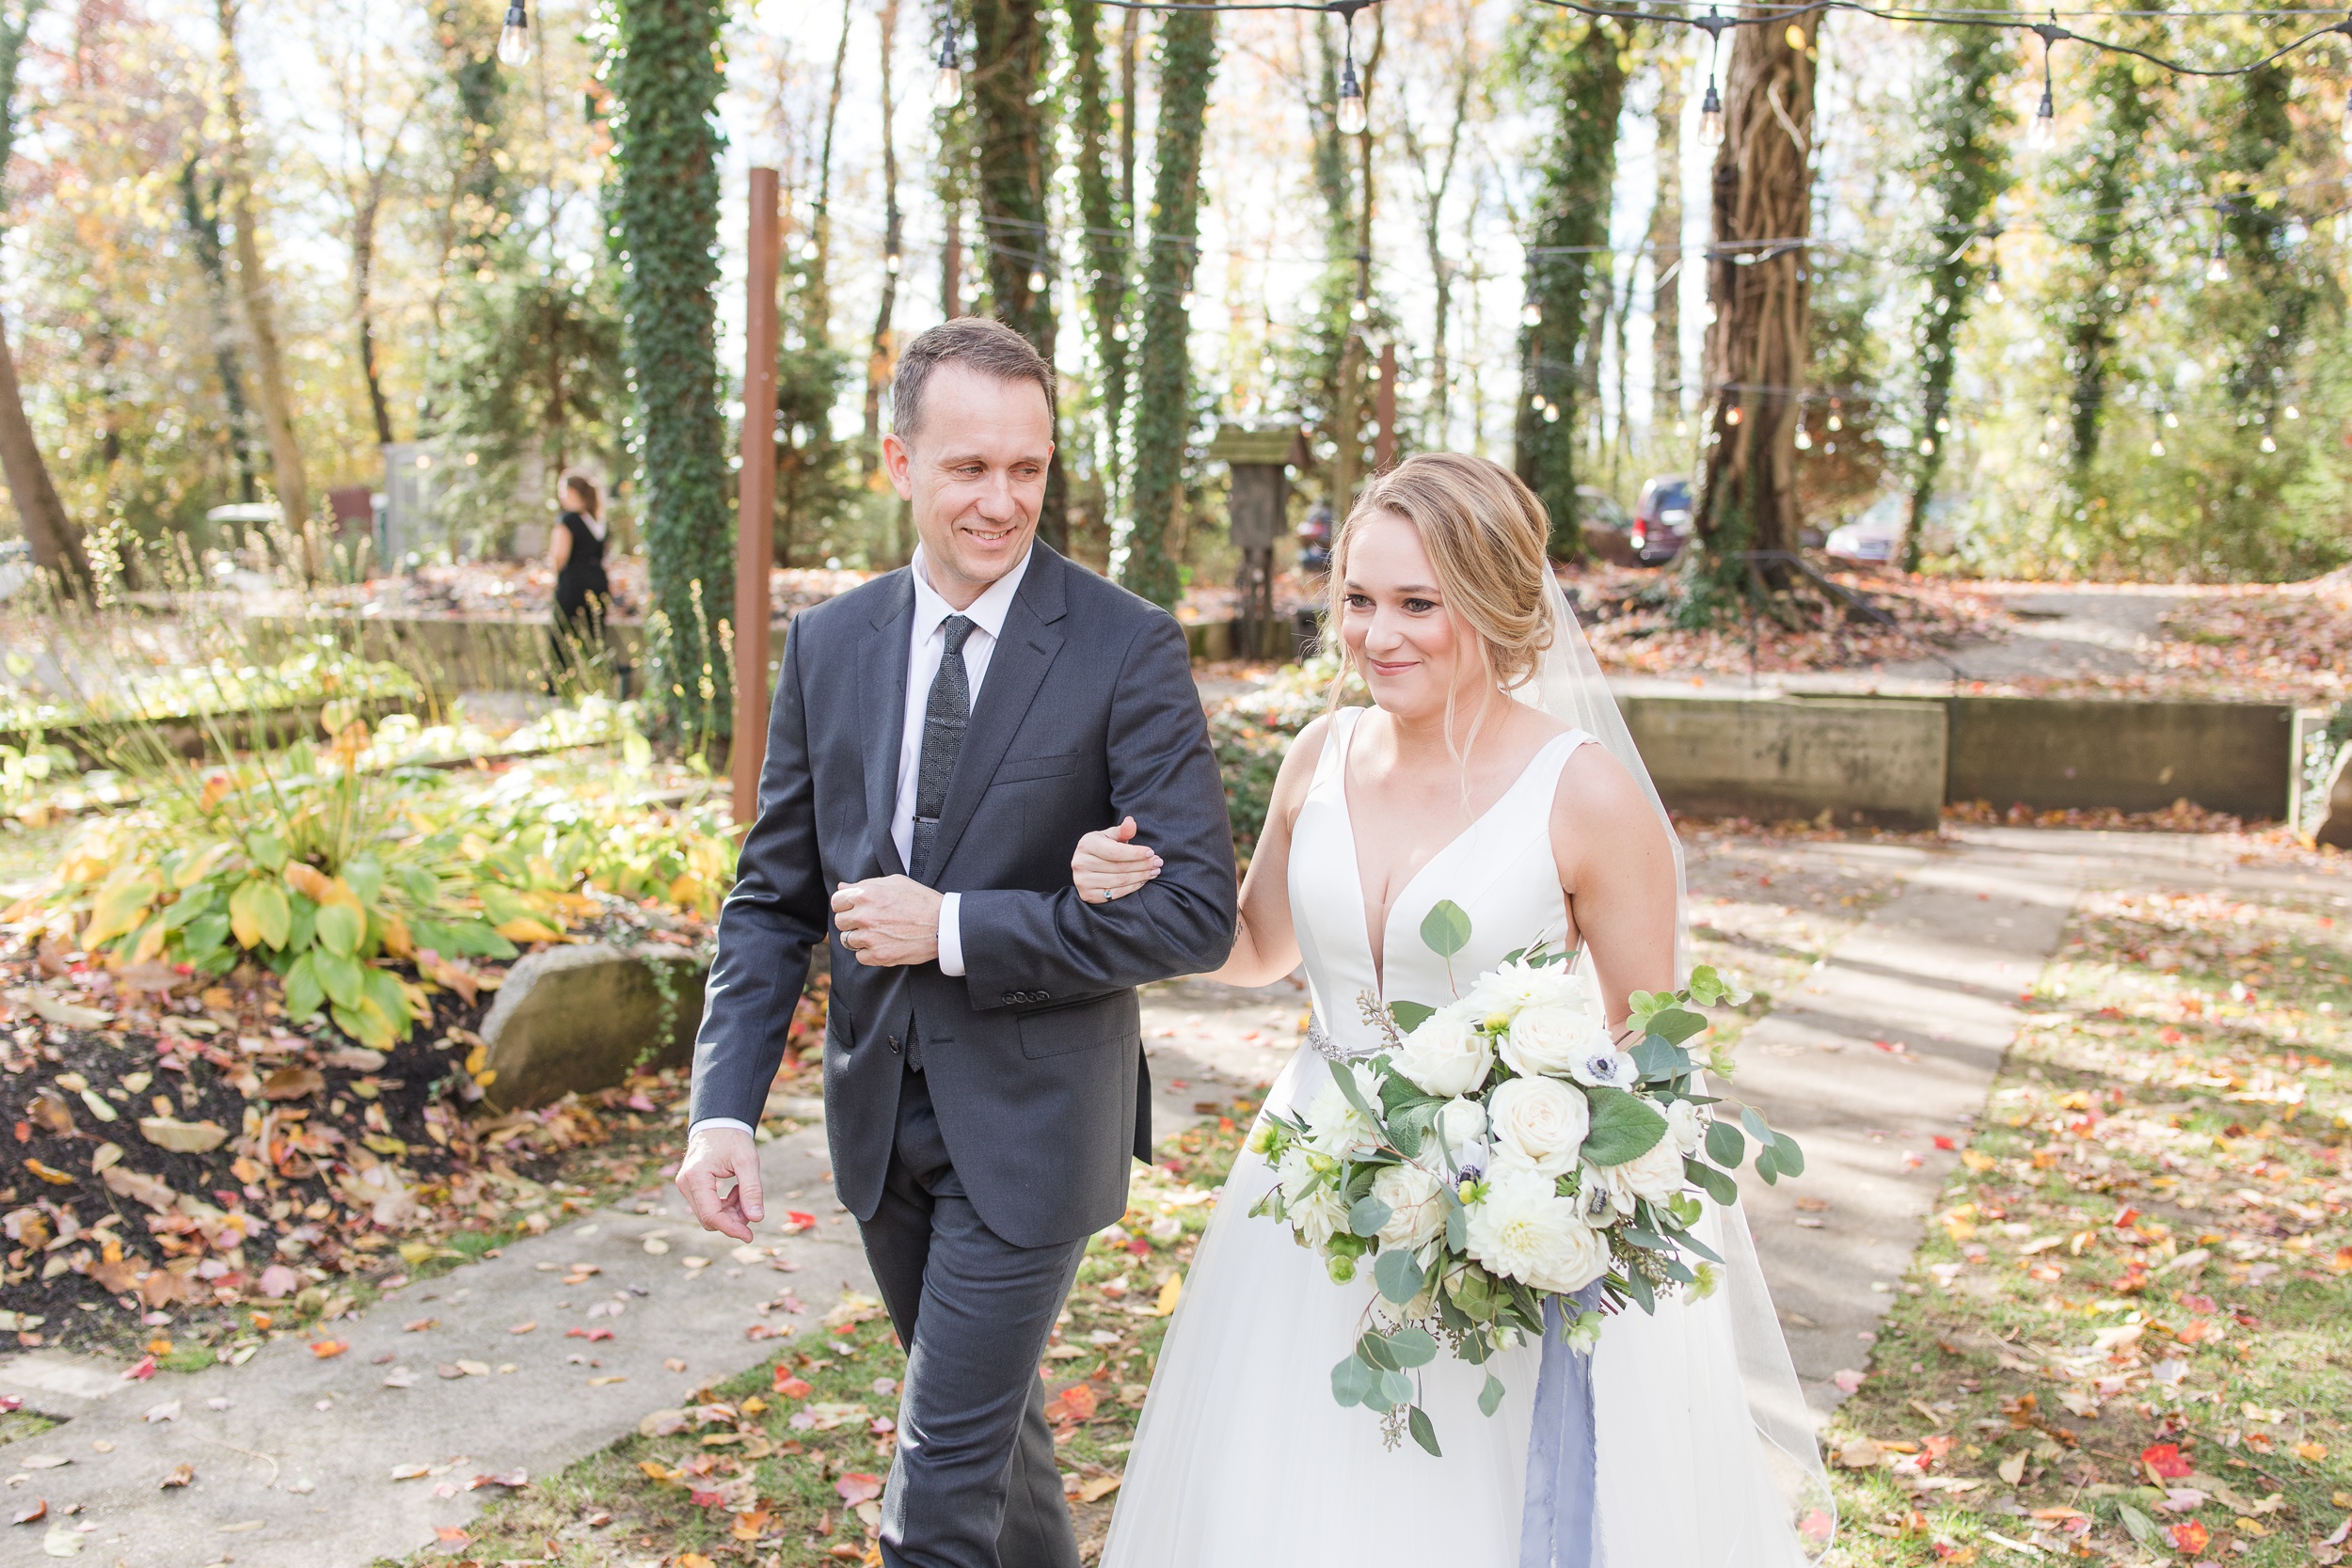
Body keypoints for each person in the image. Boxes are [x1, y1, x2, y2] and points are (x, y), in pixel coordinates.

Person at [1072, 453, 1833, 1566]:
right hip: (1304, 1196)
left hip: (1497, 1224)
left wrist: (1551, 1177)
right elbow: (1253, 946)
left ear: (1493, 600)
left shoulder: (1584, 794)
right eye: (1359, 600)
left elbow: (1657, 1048)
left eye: (1417, 603)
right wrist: (1125, 895)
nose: (1378, 635)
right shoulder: (1317, 756)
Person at [676, 317, 1239, 1568]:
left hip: (1038, 1122)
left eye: (1027, 468)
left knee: (931, 1502)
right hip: (881, 1121)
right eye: (968, 467)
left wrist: (959, 926)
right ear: (898, 463)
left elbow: (1195, 907)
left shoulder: (1122, 643)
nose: (1003, 499)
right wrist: (724, 1109)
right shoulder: (830, 643)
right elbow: (773, 897)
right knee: (1001, 1457)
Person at [546, 474, 612, 686]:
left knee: (561, 632)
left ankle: (559, 685)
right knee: (593, 634)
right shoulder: (599, 522)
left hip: (573, 582)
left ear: (572, 492)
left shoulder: (568, 520)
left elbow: (559, 555)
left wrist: (554, 577)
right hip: (598, 581)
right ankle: (593, 682)